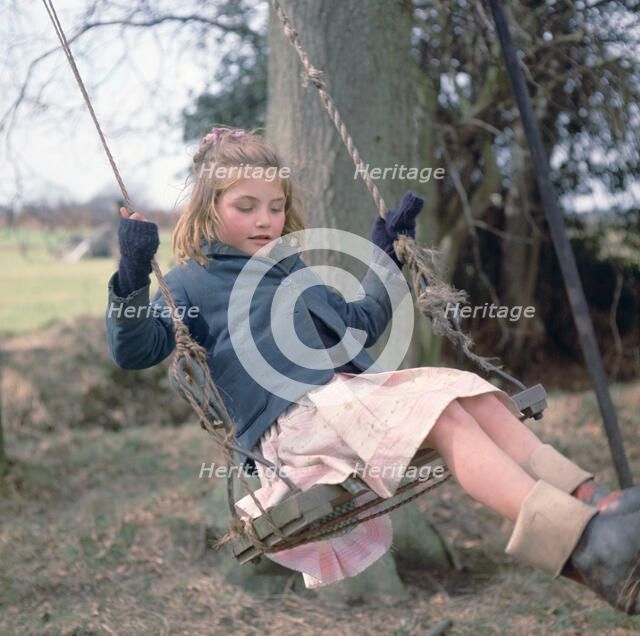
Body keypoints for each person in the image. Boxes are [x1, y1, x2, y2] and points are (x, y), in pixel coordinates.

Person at [106, 126, 640, 613]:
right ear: (208, 207)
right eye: (246, 206)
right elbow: (135, 350)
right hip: (297, 426)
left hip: (347, 401)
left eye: (275, 205)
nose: (265, 219)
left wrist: (385, 256)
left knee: (472, 395)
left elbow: (358, 324)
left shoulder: (291, 267)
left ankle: (591, 503)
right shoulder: (192, 283)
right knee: (449, 421)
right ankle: (582, 545)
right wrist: (132, 274)